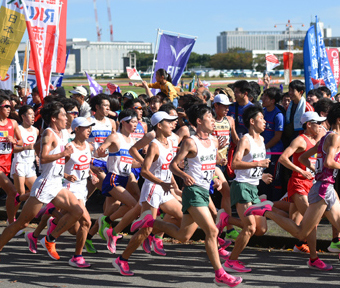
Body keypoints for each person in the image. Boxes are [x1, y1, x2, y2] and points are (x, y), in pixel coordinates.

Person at [129, 104, 242, 287]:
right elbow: (174, 165)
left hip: (205, 192)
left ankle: (149, 221)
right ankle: (220, 274)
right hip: (192, 192)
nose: (213, 121)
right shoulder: (190, 142)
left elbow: (211, 166)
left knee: (183, 236)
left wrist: (216, 179)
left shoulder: (213, 142)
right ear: (199, 121)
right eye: (209, 117)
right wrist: (184, 175)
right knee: (212, 231)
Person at [244, 104, 340, 272]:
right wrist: (310, 171)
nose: (318, 125)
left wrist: (313, 170)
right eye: (315, 122)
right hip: (318, 188)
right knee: (302, 232)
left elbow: (304, 158)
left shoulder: (325, 137)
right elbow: (328, 162)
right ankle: (266, 210)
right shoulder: (329, 137)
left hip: (323, 186)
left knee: (320, 225)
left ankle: (314, 257)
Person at [0, 101, 83, 261]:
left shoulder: (63, 133)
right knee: (22, 223)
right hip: (45, 184)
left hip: (57, 184)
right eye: (63, 116)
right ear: (53, 118)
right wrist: (62, 154)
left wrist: (65, 157)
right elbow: (43, 158)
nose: (66, 118)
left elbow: (38, 149)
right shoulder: (48, 133)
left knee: (77, 211)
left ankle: (50, 239)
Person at [113, 111, 182, 275]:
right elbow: (144, 171)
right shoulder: (154, 145)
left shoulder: (171, 142)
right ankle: (122, 259)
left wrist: (174, 184)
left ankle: (152, 233)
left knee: (182, 215)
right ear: (159, 125)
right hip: (153, 189)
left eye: (173, 121)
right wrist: (161, 182)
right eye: (169, 122)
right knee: (145, 229)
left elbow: (167, 168)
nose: (173, 124)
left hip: (165, 189)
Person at [216, 105, 272, 273]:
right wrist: (258, 164)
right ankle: (231, 261)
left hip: (253, 186)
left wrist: (260, 175)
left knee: (261, 230)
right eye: (261, 119)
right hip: (241, 186)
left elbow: (253, 166)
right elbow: (235, 163)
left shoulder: (261, 140)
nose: (265, 122)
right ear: (252, 121)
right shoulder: (245, 140)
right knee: (249, 228)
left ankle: (226, 219)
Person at [278, 111, 324, 254]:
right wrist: (301, 170)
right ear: (309, 125)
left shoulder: (316, 140)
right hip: (298, 182)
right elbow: (283, 158)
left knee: (294, 220)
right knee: (312, 221)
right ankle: (314, 257)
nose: (321, 126)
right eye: (318, 123)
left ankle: (265, 207)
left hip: (311, 184)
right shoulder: (300, 140)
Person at [63, 117, 95, 268]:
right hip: (70, 187)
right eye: (86, 127)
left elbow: (84, 164)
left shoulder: (88, 146)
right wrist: (66, 175)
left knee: (74, 229)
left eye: (90, 127)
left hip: (83, 188)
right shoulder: (69, 147)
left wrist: (92, 173)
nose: (89, 130)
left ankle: (55, 220)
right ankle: (77, 257)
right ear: (76, 129)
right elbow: (55, 168)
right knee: (86, 221)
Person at [0, 95, 23, 226]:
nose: (9, 109)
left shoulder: (13, 123)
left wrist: (14, 140)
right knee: (13, 191)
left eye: (10, 106)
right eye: (6, 106)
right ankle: (11, 222)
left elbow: (21, 141)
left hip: (6, 164)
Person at [10, 105, 39, 207]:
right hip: (19, 163)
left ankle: (25, 216)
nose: (32, 117)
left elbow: (34, 149)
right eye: (30, 114)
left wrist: (37, 156)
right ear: (23, 116)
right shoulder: (18, 129)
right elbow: (12, 150)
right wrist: (25, 148)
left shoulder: (36, 130)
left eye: (33, 114)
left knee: (36, 192)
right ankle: (12, 218)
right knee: (20, 193)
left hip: (30, 165)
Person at [260, 87, 285, 201]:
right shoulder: (263, 112)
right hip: (264, 151)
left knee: (274, 178)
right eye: (263, 96)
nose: (263, 99)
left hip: (275, 152)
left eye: (266, 97)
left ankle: (275, 203)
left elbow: (277, 137)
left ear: (273, 100)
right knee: (263, 177)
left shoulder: (278, 115)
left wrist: (264, 148)